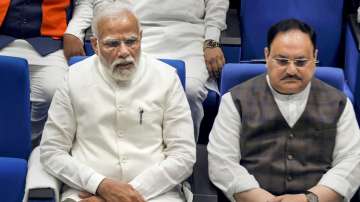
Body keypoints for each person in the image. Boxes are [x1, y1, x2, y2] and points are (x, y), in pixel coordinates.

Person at [39, 3, 196, 202]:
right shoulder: (73, 78)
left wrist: (124, 195)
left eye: (131, 41)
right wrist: (100, 185)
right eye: (112, 44)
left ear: (141, 37)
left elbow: (183, 156)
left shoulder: (166, 77)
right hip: (87, 192)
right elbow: (52, 151)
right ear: (95, 45)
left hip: (155, 194)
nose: (124, 51)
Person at [207, 19, 360, 202]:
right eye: (282, 61)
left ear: (315, 57)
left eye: (301, 62)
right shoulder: (234, 100)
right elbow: (221, 161)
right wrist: (262, 199)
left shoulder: (339, 103)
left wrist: (311, 199)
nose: (291, 70)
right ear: (266, 55)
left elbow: (352, 161)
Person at [63, 0, 229, 140]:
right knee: (124, 86)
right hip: (129, 32)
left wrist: (211, 41)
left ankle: (183, 161)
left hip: (187, 32)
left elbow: (217, 4)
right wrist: (74, 31)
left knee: (189, 89)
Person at [0, 0, 71, 146]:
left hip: (49, 42)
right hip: (3, 37)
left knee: (55, 89)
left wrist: (74, 33)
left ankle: (31, 145)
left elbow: (85, 5)